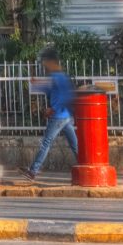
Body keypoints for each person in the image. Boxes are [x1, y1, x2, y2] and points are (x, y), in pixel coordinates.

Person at [29, 51, 77, 181]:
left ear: (52, 62)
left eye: (46, 63)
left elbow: (65, 96)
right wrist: (37, 84)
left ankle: (33, 170)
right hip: (66, 116)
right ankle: (83, 165)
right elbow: (51, 90)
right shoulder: (59, 76)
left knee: (46, 143)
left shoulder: (58, 77)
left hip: (58, 116)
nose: (45, 66)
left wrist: (52, 109)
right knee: (74, 144)